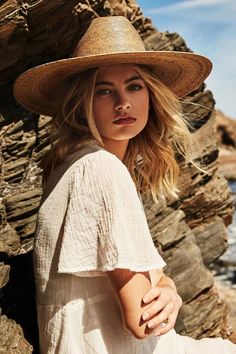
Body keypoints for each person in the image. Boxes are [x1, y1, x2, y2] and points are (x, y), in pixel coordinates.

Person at [14, 15, 236, 354]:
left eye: (134, 86)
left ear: (151, 95)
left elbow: (147, 285)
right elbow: (143, 321)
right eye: (104, 91)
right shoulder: (102, 169)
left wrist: (169, 289)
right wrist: (161, 291)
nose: (123, 103)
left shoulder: (71, 166)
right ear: (81, 101)